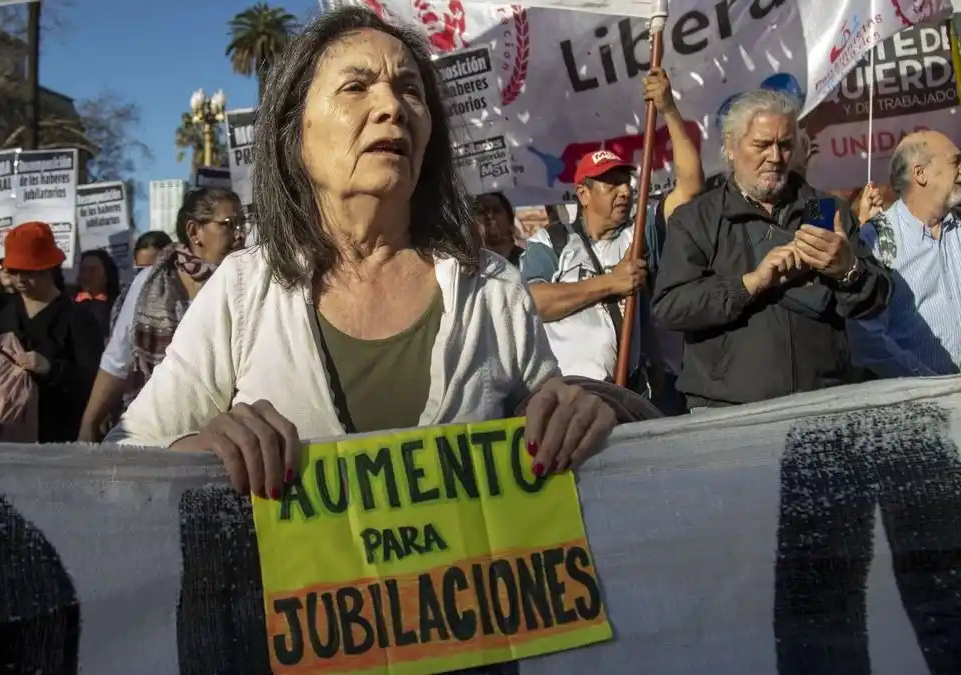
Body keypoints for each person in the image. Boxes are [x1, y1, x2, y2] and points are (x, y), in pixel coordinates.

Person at [109, 7, 618, 498]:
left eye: (410, 89)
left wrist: (581, 413)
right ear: (297, 136)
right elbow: (123, 459)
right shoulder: (243, 290)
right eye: (355, 87)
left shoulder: (491, 287)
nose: (391, 107)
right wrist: (201, 448)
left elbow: (552, 426)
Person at [651, 89, 891, 408]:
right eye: (762, 144)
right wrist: (750, 284)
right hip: (727, 412)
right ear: (730, 147)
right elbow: (671, 307)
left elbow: (876, 302)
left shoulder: (826, 210)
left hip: (823, 404)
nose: (776, 157)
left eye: (785, 144)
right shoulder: (697, 219)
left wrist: (848, 270)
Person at [520, 67, 704, 394]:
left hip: (633, 393)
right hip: (567, 396)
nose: (624, 191)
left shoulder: (640, 233)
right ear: (584, 194)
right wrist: (609, 283)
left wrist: (669, 111)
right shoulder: (552, 241)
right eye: (611, 184)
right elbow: (532, 303)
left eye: (626, 182)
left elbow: (690, 189)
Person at [78, 188, 244, 441]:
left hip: (224, 436)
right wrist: (89, 423)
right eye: (229, 225)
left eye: (242, 224)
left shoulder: (243, 284)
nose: (240, 234)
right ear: (193, 231)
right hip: (151, 432)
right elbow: (117, 359)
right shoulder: (148, 282)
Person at [0, 221, 103, 442]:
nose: (21, 280)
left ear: (50, 268)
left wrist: (51, 369)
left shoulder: (78, 317)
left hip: (52, 438)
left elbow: (93, 381)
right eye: (14, 271)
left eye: (30, 272)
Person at [848, 130, 961, 378]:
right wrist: (926, 383)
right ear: (920, 174)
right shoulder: (874, 239)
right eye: (955, 162)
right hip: (921, 403)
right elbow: (868, 336)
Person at [75, 249, 121, 338]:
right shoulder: (68, 305)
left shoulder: (119, 308)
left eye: (93, 270)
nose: (86, 275)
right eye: (83, 269)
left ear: (107, 275)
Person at [473, 192, 523, 265]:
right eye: (482, 211)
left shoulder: (526, 261)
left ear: (510, 220)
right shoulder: (469, 264)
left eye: (496, 210)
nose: (490, 216)